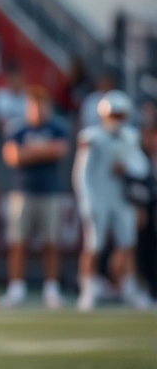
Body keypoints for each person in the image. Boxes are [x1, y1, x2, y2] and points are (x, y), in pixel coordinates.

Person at [73, 90, 151, 310]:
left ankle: (127, 287)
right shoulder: (91, 137)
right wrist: (87, 202)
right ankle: (87, 289)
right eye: (113, 115)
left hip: (121, 198)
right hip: (98, 196)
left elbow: (142, 166)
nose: (116, 120)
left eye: (120, 115)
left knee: (127, 243)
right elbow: (82, 174)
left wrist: (126, 168)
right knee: (93, 244)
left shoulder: (130, 136)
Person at [0, 87, 69, 308]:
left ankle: (52, 289)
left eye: (41, 105)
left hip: (50, 192)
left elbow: (60, 151)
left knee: (51, 243)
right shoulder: (17, 128)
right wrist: (42, 151)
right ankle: (16, 288)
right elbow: (12, 156)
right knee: (18, 243)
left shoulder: (57, 127)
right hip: (23, 192)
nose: (37, 110)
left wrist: (30, 152)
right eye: (34, 105)